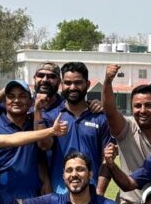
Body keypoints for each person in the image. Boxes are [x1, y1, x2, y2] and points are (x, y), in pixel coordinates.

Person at [101, 65, 151, 204]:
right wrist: (108, 82)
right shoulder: (126, 128)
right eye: (137, 106)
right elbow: (110, 111)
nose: (143, 110)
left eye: (149, 105)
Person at [36, 61, 112, 195]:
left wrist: (99, 192)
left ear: (88, 84)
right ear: (61, 85)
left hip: (91, 194)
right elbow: (42, 147)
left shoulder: (100, 118)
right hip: (58, 194)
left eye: (78, 83)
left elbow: (107, 159)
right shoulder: (50, 117)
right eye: (68, 83)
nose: (72, 87)